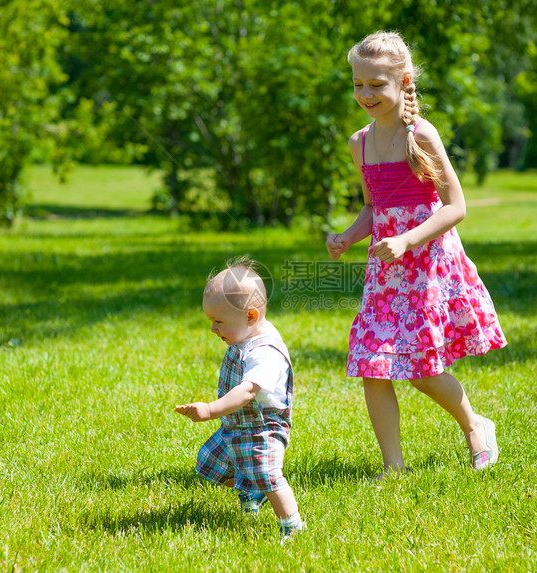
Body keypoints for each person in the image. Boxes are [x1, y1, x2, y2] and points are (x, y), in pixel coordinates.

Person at [325, 31, 507, 478]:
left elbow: (456, 206)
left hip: (426, 263)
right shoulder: (359, 143)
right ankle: (394, 469)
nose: (365, 94)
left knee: (422, 368)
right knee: (373, 364)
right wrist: (348, 236)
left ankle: (475, 425)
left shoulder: (420, 134)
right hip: (385, 270)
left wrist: (409, 240)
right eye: (358, 84)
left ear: (403, 82)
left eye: (376, 85)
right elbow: (374, 207)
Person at [174, 258, 305, 542]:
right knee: (210, 463)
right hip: (236, 425)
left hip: (262, 428)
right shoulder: (244, 335)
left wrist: (210, 409)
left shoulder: (265, 351)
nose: (213, 330)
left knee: (268, 474)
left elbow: (247, 391)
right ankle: (251, 489)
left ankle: (292, 524)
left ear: (251, 317)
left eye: (218, 322)